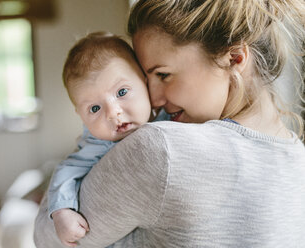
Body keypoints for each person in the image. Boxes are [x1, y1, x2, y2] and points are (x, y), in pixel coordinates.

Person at [34, 0, 305, 247]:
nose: (152, 99)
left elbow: (48, 240)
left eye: (163, 75)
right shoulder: (297, 159)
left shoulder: (162, 149)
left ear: (234, 58)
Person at [47, 32, 168, 247]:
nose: (113, 113)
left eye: (122, 92)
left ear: (145, 81)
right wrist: (61, 211)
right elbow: (67, 171)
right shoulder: (97, 143)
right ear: (81, 116)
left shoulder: (170, 116)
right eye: (94, 108)